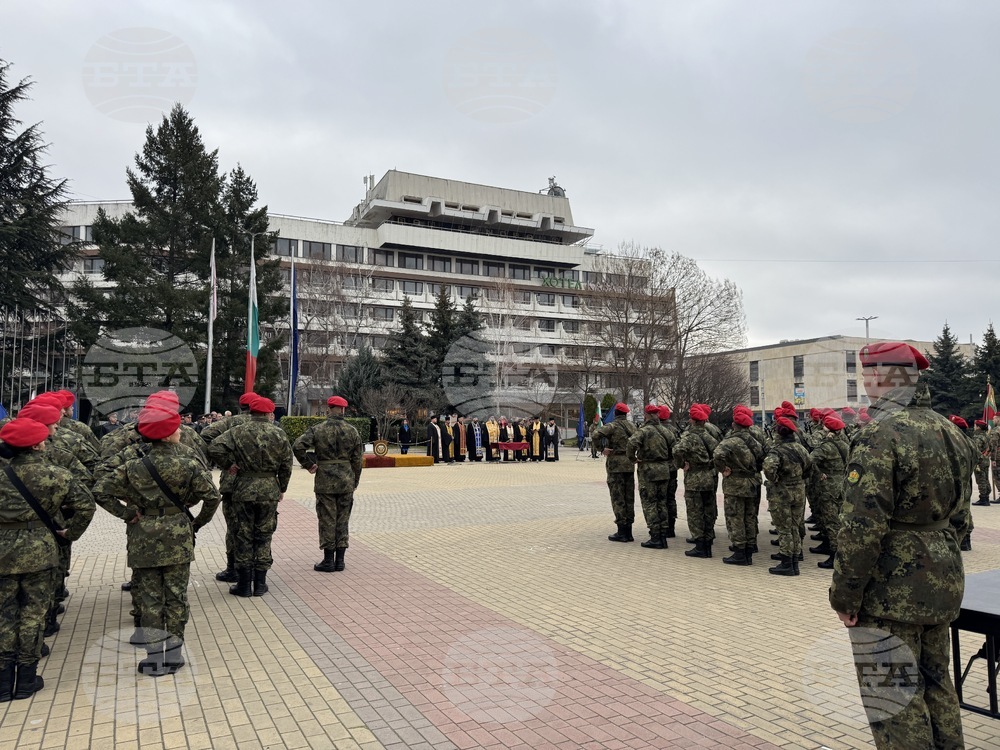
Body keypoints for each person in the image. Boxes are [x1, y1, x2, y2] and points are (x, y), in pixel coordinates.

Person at [830, 341, 973, 749]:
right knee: (936, 684)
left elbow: (861, 527)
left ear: (882, 377)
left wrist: (845, 596)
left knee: (894, 697)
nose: (865, 382)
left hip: (890, 591)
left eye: (866, 374)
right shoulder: (949, 430)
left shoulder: (879, 434)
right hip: (942, 582)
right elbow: (961, 518)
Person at [93, 400, 220, 677]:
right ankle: (173, 656)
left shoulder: (133, 465)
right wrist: (197, 522)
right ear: (167, 434)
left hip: (144, 535)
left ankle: (153, 658)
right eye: (176, 429)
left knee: (149, 599)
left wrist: (127, 513)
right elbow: (212, 496)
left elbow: (100, 490)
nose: (179, 433)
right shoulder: (188, 462)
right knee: (176, 597)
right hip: (178, 535)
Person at [0, 418, 94, 701]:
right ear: (39, 444)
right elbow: (86, 505)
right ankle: (26, 679)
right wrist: (70, 533)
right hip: (41, 550)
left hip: (2, 551)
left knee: (4, 613)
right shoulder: (57, 474)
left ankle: (3, 682)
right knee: (33, 614)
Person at [206, 396, 292, 597]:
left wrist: (228, 465)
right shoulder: (279, 434)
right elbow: (287, 464)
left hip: (243, 489)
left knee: (243, 534)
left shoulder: (237, 431)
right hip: (269, 489)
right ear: (269, 413)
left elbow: (214, 447)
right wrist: (282, 488)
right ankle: (260, 584)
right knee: (264, 535)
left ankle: (244, 585)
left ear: (251, 412)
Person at [292, 396, 363, 572]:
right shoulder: (352, 431)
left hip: (325, 480)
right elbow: (357, 460)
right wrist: (355, 480)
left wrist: (309, 464)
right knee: (342, 519)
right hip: (346, 479)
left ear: (329, 408)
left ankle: (328, 560)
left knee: (327, 519)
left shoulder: (318, 429)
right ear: (344, 410)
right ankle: (340, 560)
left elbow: (297, 446)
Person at [199, 392, 256, 582]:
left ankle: (233, 569)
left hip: (233, 480)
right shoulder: (267, 425)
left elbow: (206, 435)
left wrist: (225, 461)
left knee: (234, 527)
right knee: (258, 527)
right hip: (262, 484)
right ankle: (254, 568)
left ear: (241, 406)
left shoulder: (230, 423)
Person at [763, 415, 812, 576]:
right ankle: (795, 562)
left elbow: (769, 468)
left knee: (784, 528)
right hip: (798, 490)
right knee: (795, 527)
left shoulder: (777, 451)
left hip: (781, 492)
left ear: (778, 433)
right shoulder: (801, 449)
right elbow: (810, 467)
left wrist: (776, 479)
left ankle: (786, 562)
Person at [713, 408, 760, 565]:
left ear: (734, 425)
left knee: (736, 517)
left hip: (735, 484)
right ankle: (749, 549)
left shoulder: (730, 441)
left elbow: (717, 455)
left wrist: (723, 469)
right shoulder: (756, 441)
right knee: (749, 516)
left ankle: (739, 551)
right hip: (752, 482)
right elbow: (764, 456)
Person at [673, 404, 719, 558]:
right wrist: (712, 465)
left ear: (692, 420)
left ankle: (700, 546)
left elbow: (676, 450)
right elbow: (719, 454)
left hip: (694, 478)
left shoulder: (689, 437)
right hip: (708, 477)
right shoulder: (709, 437)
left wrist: (681, 464)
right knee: (708, 511)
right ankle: (708, 544)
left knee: (695, 512)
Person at [626, 405, 674, 549]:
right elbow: (675, 449)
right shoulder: (666, 431)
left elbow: (631, 443)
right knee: (662, 502)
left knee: (650, 503)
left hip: (648, 470)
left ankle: (655, 536)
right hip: (664, 470)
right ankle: (663, 535)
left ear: (646, 415)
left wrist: (633, 459)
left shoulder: (643, 431)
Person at [592, 403, 637, 542]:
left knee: (618, 497)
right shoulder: (633, 427)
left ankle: (622, 531)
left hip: (616, 464)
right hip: (629, 464)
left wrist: (601, 449)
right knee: (629, 497)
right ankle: (629, 531)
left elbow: (595, 434)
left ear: (616, 413)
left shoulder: (613, 426)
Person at [808, 414, 848, 569]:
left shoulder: (826, 446)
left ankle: (835, 557)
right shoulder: (845, 444)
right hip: (842, 485)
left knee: (831, 522)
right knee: (841, 520)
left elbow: (809, 460)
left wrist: (819, 474)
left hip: (829, 486)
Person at [658, 405, 680, 537]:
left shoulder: (656, 430)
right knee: (671, 498)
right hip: (672, 468)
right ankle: (671, 528)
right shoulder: (674, 430)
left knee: (660, 498)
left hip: (660, 468)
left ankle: (662, 526)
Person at [971, 419, 992, 507]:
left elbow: (976, 449)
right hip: (986, 459)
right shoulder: (987, 436)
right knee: (985, 478)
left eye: (975, 425)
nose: (974, 427)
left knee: (981, 479)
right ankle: (986, 496)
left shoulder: (978, 437)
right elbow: (990, 448)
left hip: (980, 461)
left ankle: (983, 498)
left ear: (978, 427)